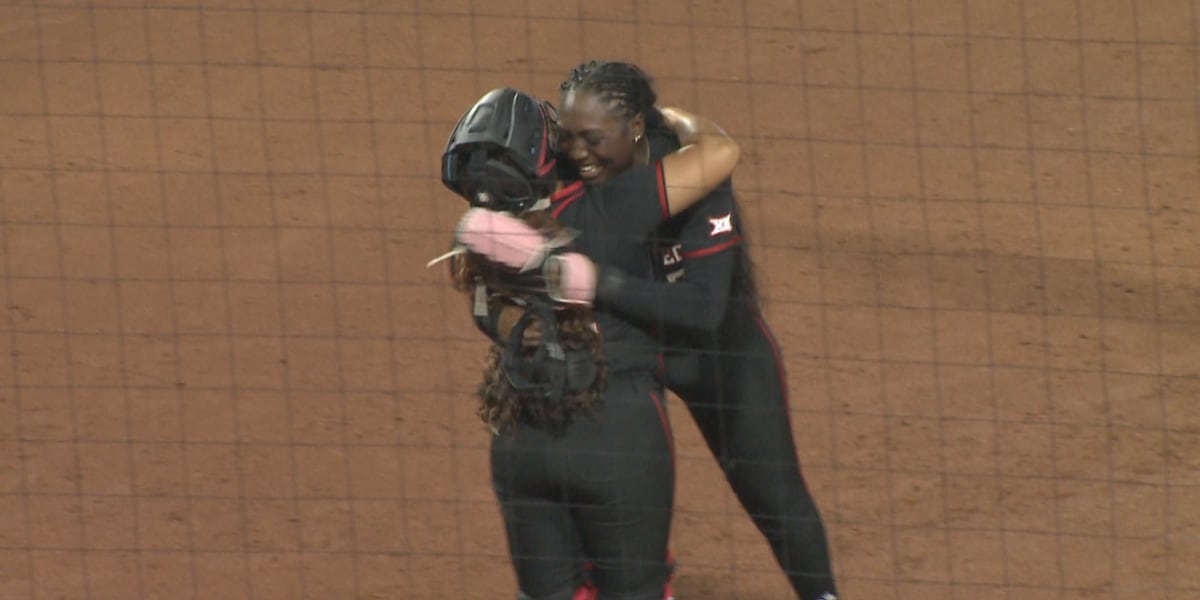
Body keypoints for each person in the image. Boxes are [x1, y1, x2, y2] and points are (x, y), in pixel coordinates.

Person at [552, 60, 840, 600]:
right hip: (628, 358)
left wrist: (601, 283)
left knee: (776, 498)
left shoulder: (692, 175)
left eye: (593, 138)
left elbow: (705, 309)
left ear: (634, 127)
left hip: (715, 353)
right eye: (569, 139)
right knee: (604, 502)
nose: (579, 153)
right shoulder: (572, 176)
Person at [439, 87, 739, 600]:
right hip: (618, 436)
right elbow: (720, 154)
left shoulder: (472, 243)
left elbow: (486, 307)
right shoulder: (611, 206)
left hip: (518, 439)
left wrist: (514, 322)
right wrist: (671, 119)